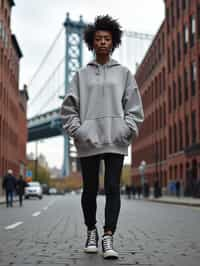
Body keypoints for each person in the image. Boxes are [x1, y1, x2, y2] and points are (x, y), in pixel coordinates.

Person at [61, 15, 144, 259]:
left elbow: (134, 106)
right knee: (89, 190)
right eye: (98, 39)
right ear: (91, 42)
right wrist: (79, 131)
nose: (103, 42)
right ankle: (91, 231)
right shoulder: (80, 75)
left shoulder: (124, 74)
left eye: (107, 38)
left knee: (112, 188)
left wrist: (127, 129)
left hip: (115, 141)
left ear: (114, 41)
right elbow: (68, 108)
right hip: (89, 142)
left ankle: (108, 236)